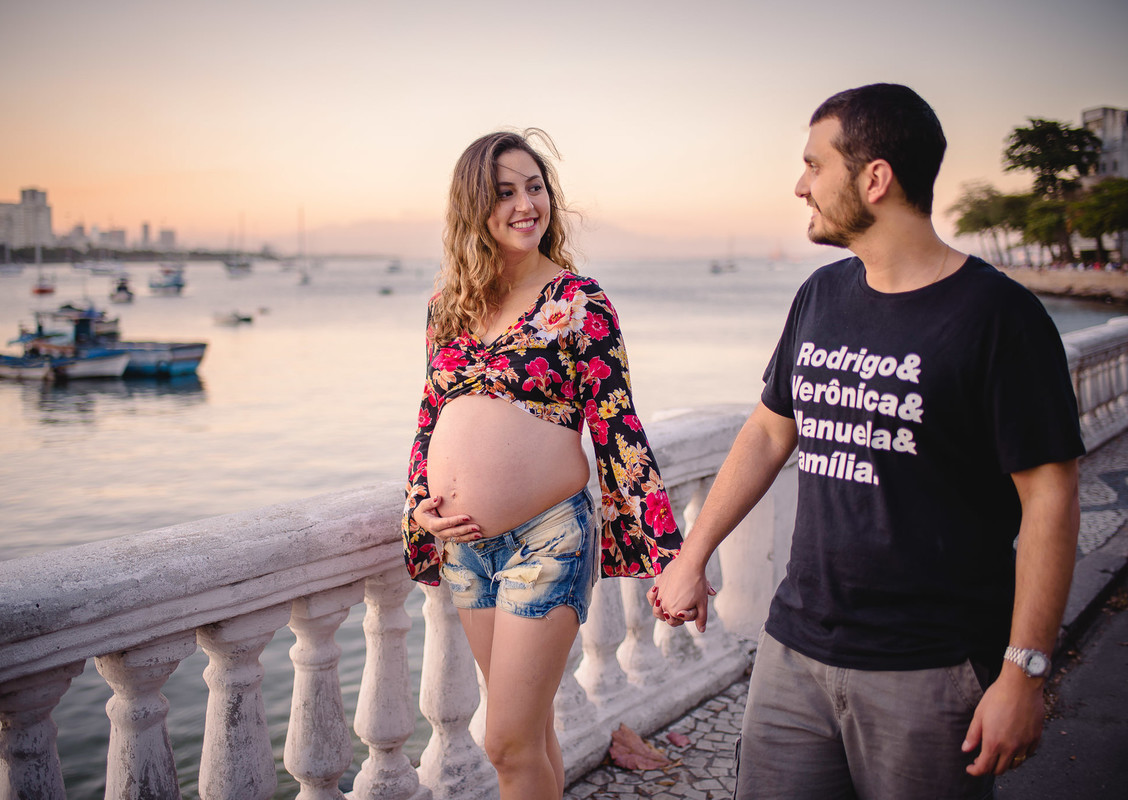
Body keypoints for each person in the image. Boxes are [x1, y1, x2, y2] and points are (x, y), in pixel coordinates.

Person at [650, 84, 1084, 799]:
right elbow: (766, 431)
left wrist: (1023, 673)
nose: (800, 185)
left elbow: (1051, 500)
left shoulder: (1000, 318)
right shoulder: (820, 296)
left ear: (874, 178)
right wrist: (692, 555)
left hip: (932, 668)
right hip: (795, 649)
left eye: (814, 165)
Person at [402, 128, 683, 800]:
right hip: (466, 545)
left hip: (548, 539)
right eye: (505, 192)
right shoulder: (450, 307)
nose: (527, 204)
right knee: (528, 737)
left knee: (503, 741)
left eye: (535, 188)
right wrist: (419, 504)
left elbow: (617, 425)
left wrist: (670, 552)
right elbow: (428, 418)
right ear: (475, 209)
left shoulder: (579, 304)